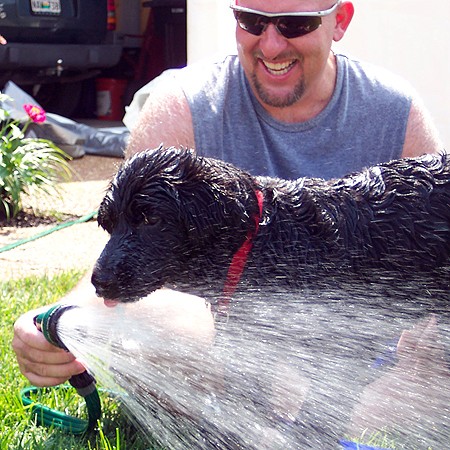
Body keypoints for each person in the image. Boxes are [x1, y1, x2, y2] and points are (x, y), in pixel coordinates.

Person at [12, 0, 445, 425]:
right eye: (252, 21)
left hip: (368, 352)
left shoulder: (393, 110)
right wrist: (57, 319)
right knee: (179, 332)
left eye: (294, 25)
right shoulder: (185, 107)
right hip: (213, 340)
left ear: (340, 21)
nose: (271, 45)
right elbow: (124, 252)